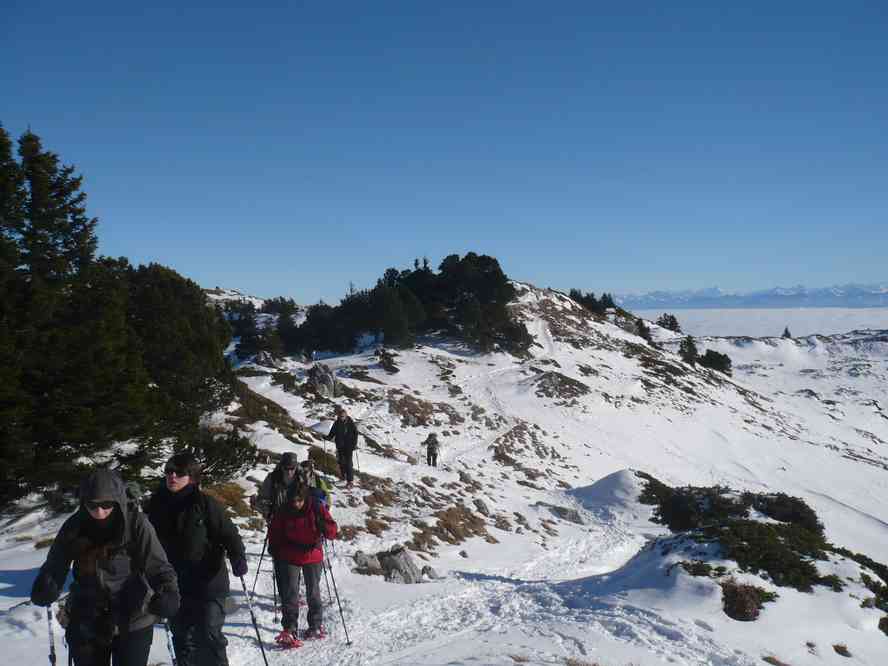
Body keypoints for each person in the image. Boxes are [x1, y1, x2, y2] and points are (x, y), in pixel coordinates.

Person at [30, 469, 180, 666]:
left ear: (118, 500)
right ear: (84, 502)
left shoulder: (136, 524)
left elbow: (158, 565)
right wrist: (47, 583)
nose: (99, 512)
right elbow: (55, 564)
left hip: (133, 616)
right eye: (92, 505)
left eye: (106, 505)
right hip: (87, 615)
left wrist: (168, 591)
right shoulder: (74, 526)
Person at [146, 453, 248, 666]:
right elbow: (146, 540)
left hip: (208, 582)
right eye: (168, 471)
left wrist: (237, 556)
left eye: (179, 472)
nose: (172, 476)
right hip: (175, 584)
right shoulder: (156, 504)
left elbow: (228, 533)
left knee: (208, 634)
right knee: (182, 638)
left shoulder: (205, 503)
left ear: (191, 476)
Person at [268, 480, 338, 646]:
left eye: (299, 500)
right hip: (290, 555)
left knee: (312, 591)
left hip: (312, 554)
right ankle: (290, 629)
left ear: (305, 498)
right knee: (290, 593)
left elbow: (333, 530)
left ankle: (315, 625)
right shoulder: (284, 510)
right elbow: (275, 530)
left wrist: (324, 527)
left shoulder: (316, 508)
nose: (296, 504)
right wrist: (274, 548)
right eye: (293, 501)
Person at [256, 451, 299, 521]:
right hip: (276, 519)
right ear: (282, 467)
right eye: (286, 468)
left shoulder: (302, 480)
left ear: (296, 467)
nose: (289, 472)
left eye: (292, 468)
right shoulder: (272, 479)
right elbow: (261, 499)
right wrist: (268, 511)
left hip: (297, 521)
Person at [326, 406, 358, 489]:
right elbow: (332, 433)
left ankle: (350, 481)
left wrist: (354, 444)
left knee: (348, 463)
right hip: (340, 446)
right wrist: (327, 438)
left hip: (349, 446)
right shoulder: (336, 423)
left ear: (346, 416)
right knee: (341, 462)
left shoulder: (350, 423)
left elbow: (355, 434)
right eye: (340, 416)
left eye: (343, 416)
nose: (341, 418)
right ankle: (343, 478)